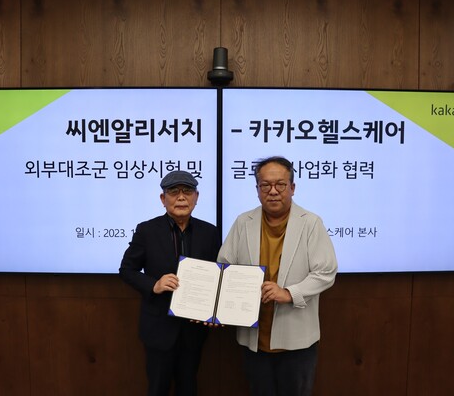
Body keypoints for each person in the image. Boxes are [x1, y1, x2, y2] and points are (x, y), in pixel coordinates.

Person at [217, 156, 338, 396]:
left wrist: (289, 293)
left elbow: (326, 272)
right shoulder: (244, 222)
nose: (273, 191)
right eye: (265, 185)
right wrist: (213, 305)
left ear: (292, 188)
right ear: (257, 189)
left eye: (280, 184)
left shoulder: (311, 223)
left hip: (297, 341)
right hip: (254, 338)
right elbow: (225, 267)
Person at [119, 170, 221, 396]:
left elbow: (219, 275)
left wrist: (216, 310)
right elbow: (127, 270)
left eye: (187, 191)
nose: (181, 197)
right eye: (173, 192)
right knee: (158, 388)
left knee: (189, 386)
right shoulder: (147, 230)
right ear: (163, 199)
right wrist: (154, 285)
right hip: (158, 327)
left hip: (194, 328)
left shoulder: (210, 232)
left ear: (197, 197)